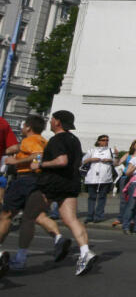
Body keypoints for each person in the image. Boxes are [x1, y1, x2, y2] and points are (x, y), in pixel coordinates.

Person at [20, 111, 97, 275]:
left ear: (58, 122)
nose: (50, 121)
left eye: (53, 119)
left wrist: (41, 165)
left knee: (29, 215)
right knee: (71, 219)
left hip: (52, 183)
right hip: (71, 183)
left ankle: (21, 257)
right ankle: (85, 252)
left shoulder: (57, 140)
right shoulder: (74, 140)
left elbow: (62, 161)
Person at [0, 115, 67, 273]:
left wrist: (15, 162)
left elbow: (37, 154)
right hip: (39, 181)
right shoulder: (44, 140)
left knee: (6, 215)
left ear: (28, 128)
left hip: (24, 179)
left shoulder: (29, 140)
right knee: (34, 217)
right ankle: (56, 238)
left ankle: (2, 252)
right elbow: (16, 149)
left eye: (23, 126)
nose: (22, 128)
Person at [82, 134, 116, 223]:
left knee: (102, 197)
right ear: (98, 141)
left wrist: (110, 160)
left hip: (105, 178)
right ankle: (90, 216)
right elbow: (83, 161)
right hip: (92, 177)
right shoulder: (92, 150)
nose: (105, 142)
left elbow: (116, 163)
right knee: (92, 197)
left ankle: (99, 216)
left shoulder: (110, 151)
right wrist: (91, 159)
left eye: (107, 140)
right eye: (103, 140)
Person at [112, 139, 136, 229]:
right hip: (126, 178)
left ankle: (132, 218)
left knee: (133, 200)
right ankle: (120, 218)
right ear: (133, 145)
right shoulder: (128, 154)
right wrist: (116, 156)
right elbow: (117, 164)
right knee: (123, 199)